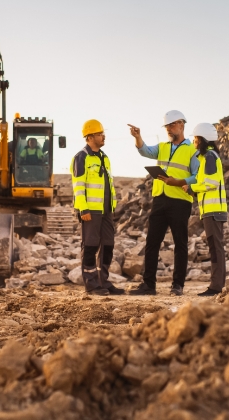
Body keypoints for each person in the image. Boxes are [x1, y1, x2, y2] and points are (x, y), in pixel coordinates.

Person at [127, 110, 199, 296]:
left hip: (180, 201)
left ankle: (177, 285)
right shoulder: (163, 147)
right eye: (167, 126)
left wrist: (181, 182)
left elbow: (197, 176)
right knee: (152, 242)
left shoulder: (192, 150)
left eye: (172, 125)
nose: (169, 129)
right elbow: (144, 151)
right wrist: (138, 137)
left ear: (182, 125)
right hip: (160, 199)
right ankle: (148, 285)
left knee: (180, 244)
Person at [70, 119, 124, 296]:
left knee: (108, 245)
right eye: (100, 134)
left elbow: (108, 183)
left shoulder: (104, 157)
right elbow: (79, 185)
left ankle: (104, 282)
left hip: (106, 210)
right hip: (91, 210)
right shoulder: (82, 157)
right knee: (91, 245)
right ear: (90, 137)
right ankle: (92, 285)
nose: (103, 136)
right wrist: (83, 209)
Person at [183, 123, 228, 296]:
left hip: (214, 210)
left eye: (195, 139)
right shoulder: (207, 157)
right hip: (211, 210)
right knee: (215, 247)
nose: (193, 142)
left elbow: (210, 183)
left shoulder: (209, 157)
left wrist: (193, 188)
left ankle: (216, 287)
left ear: (201, 139)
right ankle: (217, 285)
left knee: (216, 248)